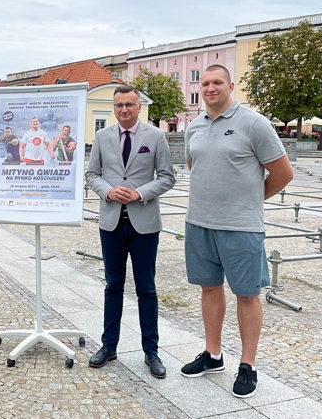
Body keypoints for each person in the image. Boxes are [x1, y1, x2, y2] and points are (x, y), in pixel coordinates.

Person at [181, 65, 293, 398]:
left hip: (241, 226)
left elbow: (283, 173)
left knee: (247, 294)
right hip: (199, 222)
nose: (211, 88)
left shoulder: (255, 124)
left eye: (217, 83)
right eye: (205, 83)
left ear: (231, 86)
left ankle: (248, 364)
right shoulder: (195, 127)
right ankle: (213, 354)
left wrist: (250, 200)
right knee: (209, 288)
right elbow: (195, 166)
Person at [86, 85, 175, 378]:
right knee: (113, 286)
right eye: (119, 105)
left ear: (139, 107)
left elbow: (166, 177)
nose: (124, 109)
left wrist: (139, 193)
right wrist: (109, 191)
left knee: (146, 288)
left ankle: (151, 351)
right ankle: (108, 345)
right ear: (114, 108)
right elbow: (92, 174)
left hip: (144, 224)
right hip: (111, 222)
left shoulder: (156, 136)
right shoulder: (102, 136)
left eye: (130, 104)